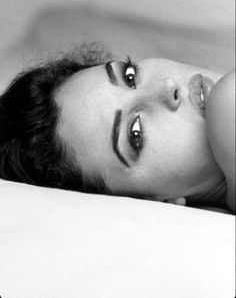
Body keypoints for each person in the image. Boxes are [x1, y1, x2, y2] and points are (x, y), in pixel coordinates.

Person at [0, 44, 234, 213]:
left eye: (130, 75)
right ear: (153, 202)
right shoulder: (227, 101)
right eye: (136, 133)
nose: (166, 87)